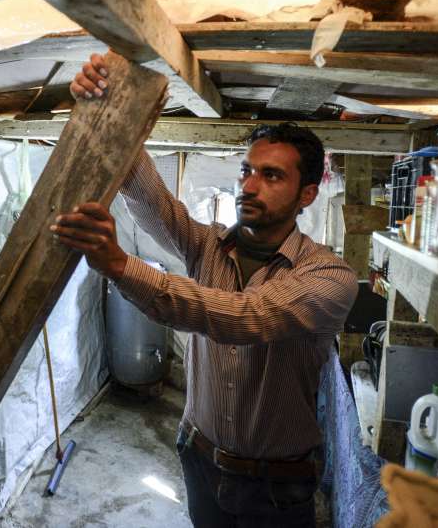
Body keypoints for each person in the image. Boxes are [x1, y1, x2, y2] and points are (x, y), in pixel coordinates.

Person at [50, 53, 359, 527]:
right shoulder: (210, 245)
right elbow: (152, 201)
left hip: (277, 485)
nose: (250, 185)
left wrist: (119, 264)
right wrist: (110, 108)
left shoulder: (328, 277)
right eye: (246, 171)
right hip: (200, 460)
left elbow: (245, 317)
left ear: (308, 194)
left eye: (271, 175)